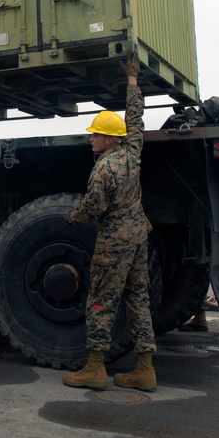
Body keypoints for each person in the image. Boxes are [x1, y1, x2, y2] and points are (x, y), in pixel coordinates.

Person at [62, 52, 157, 392]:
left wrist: (71, 218)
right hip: (137, 237)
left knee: (101, 298)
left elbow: (92, 208)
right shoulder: (132, 151)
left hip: (114, 241)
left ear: (108, 139)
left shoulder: (103, 169)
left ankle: (96, 368)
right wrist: (132, 80)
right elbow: (136, 119)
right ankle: (145, 368)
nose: (91, 138)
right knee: (138, 298)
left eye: (95, 134)